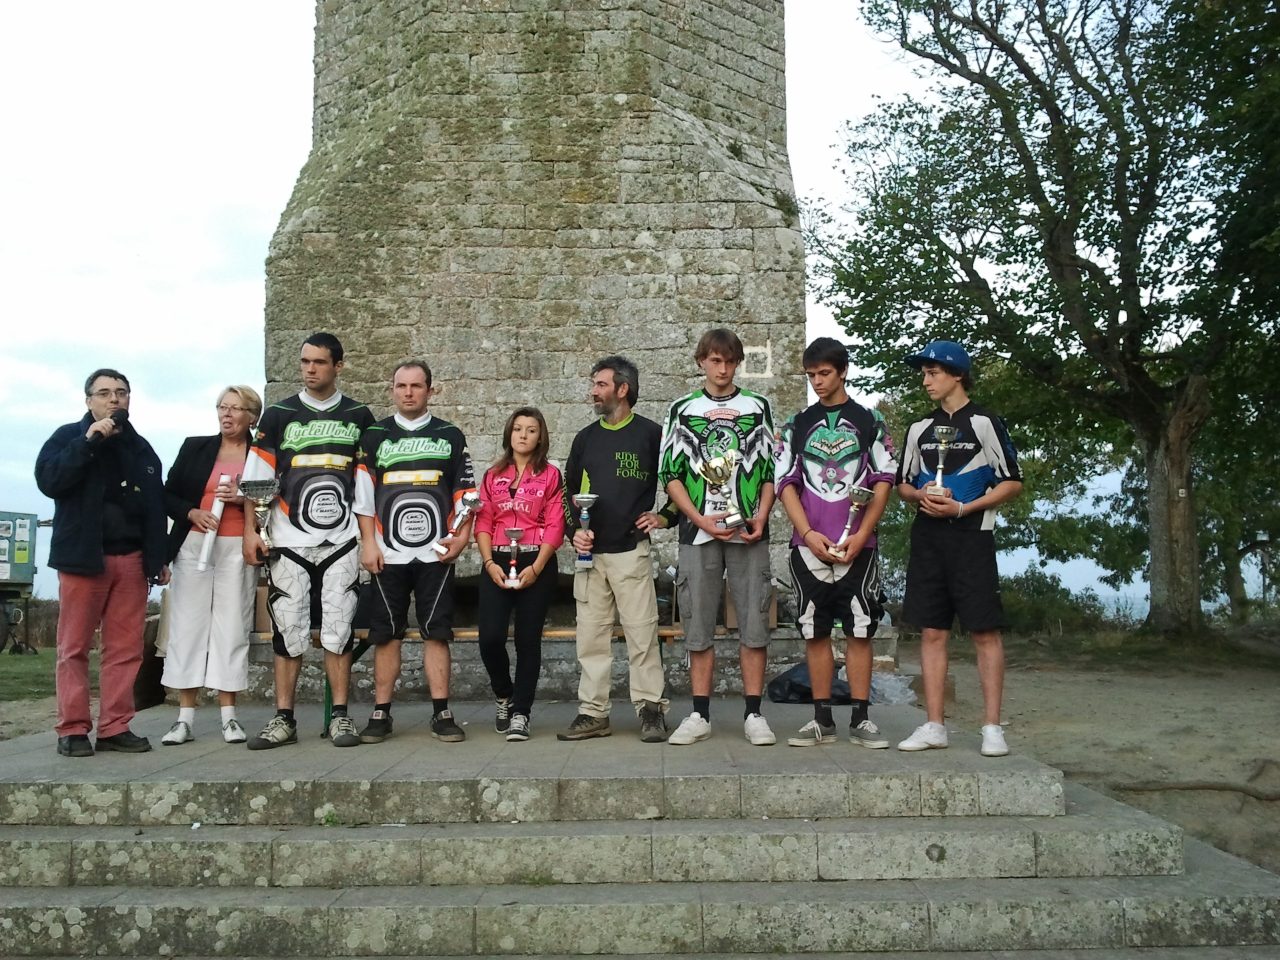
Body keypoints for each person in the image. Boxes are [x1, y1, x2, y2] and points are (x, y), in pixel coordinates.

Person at [241, 333, 375, 749]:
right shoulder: (278, 415)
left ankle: (339, 718)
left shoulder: (359, 415)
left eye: (319, 362)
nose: (310, 369)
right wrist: (252, 530)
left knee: (338, 629)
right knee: (288, 628)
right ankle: (284, 719)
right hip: (288, 538)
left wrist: (370, 538)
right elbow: (257, 480)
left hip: (343, 539)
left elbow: (368, 483)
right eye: (305, 362)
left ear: (338, 365)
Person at [895, 339, 1023, 757]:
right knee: (932, 631)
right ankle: (934, 724)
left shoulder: (985, 422)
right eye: (924, 373)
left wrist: (964, 505)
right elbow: (902, 483)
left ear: (957, 375)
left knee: (984, 631)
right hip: (929, 538)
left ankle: (992, 728)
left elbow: (1012, 481)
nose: (925, 380)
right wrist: (920, 497)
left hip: (973, 535)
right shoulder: (919, 429)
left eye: (933, 373)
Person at [35, 369, 170, 757]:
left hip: (130, 561)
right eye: (105, 393)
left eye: (122, 393)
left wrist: (157, 556)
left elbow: (154, 507)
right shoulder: (67, 438)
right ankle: (73, 728)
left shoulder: (141, 449)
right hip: (83, 560)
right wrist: (89, 442)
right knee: (73, 647)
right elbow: (50, 481)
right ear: (88, 400)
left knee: (125, 650)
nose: (115, 400)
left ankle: (115, 727)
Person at [774, 338, 898, 748]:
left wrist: (863, 533)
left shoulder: (870, 420)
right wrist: (807, 532)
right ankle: (821, 718)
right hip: (808, 545)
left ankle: (861, 718)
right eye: (811, 375)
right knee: (814, 629)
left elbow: (883, 482)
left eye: (824, 374)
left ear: (843, 371)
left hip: (858, 546)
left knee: (860, 629)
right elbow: (785, 483)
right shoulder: (796, 424)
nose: (817, 382)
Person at [659, 328, 778, 746]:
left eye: (729, 361)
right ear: (701, 362)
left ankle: (753, 713)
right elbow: (670, 475)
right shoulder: (681, 409)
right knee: (697, 624)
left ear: (737, 363)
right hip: (698, 530)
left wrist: (761, 517)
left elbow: (769, 472)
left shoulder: (758, 406)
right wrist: (698, 519)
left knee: (753, 621)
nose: (723, 369)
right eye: (715, 360)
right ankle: (699, 713)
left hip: (748, 530)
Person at [353, 360, 475, 744]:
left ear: (430, 390)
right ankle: (380, 713)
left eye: (416, 386)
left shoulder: (450, 434)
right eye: (401, 386)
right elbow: (363, 495)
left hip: (435, 552)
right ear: (392, 389)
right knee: (385, 634)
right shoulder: (374, 436)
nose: (408, 392)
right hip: (388, 552)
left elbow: (466, 494)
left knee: (435, 632)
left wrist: (462, 538)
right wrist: (368, 542)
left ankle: (442, 712)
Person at [558, 355, 677, 743]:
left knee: (642, 635)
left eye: (601, 384)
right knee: (590, 638)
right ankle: (593, 712)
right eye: (593, 384)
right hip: (590, 557)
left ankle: (651, 710)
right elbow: (567, 493)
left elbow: (682, 479)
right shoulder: (585, 438)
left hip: (630, 551)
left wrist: (665, 517)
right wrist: (575, 533)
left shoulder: (651, 434)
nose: (593, 391)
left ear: (623, 389)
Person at [158, 386, 263, 745]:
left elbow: (274, 496)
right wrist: (191, 512)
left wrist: (242, 496)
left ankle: (229, 717)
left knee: (232, 626)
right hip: (194, 544)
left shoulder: (260, 453)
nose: (227, 414)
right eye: (222, 407)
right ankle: (184, 718)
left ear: (252, 416)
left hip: (238, 546)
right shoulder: (195, 447)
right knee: (188, 626)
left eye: (235, 408)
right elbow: (167, 494)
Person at [474, 407, 565, 741]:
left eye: (530, 430)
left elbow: (556, 523)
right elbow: (482, 521)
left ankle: (522, 714)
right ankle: (504, 694)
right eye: (517, 429)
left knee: (528, 640)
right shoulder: (492, 475)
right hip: (496, 559)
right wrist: (488, 563)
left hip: (536, 561)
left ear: (540, 436)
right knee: (490, 639)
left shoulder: (551, 476)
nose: (523, 435)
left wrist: (536, 568)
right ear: (508, 434)